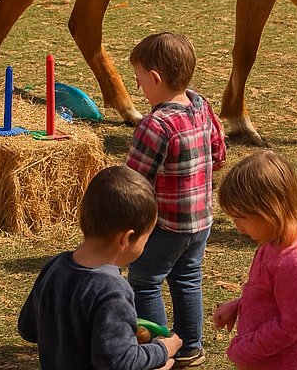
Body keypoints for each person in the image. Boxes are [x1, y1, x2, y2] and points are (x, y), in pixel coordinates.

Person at [18, 165, 183, 370]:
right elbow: (117, 361)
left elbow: (28, 328)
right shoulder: (112, 291)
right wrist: (162, 350)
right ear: (127, 238)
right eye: (146, 237)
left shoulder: (54, 266)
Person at [125, 33, 225, 367]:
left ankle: (159, 350)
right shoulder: (201, 105)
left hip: (166, 224)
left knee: (144, 281)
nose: (139, 89)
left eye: (139, 81)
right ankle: (190, 347)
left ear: (155, 78)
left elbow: (133, 180)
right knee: (187, 279)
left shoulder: (155, 124)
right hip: (201, 222)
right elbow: (219, 153)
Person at [213, 150, 297, 370]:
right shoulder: (271, 243)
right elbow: (268, 295)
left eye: (241, 218)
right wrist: (239, 305)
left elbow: (291, 324)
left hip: (287, 362)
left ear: (269, 211)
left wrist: (246, 349)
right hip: (267, 357)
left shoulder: (295, 263)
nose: (237, 227)